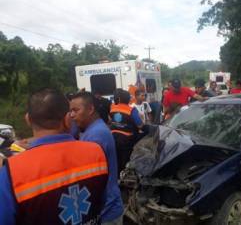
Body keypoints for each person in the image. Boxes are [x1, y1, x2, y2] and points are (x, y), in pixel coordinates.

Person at [0, 88, 108, 225]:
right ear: (67, 119)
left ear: (28, 119)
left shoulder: (11, 172)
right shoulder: (96, 152)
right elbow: (102, 200)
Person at [70, 91, 123, 225]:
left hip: (106, 212)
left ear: (90, 109)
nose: (72, 115)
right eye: (70, 111)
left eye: (76, 110)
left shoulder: (96, 135)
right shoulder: (90, 130)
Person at [110, 89, 143, 174]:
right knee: (125, 162)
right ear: (128, 99)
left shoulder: (112, 108)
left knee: (116, 160)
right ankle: (124, 178)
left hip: (113, 138)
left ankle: (116, 176)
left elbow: (109, 121)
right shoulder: (131, 110)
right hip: (127, 140)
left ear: (119, 99)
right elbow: (140, 125)